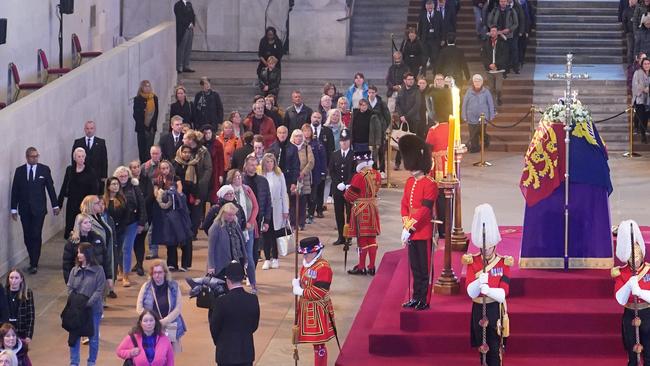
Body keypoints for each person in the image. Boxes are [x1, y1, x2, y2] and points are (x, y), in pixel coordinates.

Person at [463, 203, 512, 366]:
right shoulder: (473, 261)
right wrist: (478, 282)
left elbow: (503, 293)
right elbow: (470, 292)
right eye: (484, 247)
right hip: (478, 309)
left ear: (495, 244)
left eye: (489, 246)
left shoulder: (503, 262)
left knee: (494, 350)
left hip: (493, 310)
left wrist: (488, 290)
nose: (486, 250)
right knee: (482, 350)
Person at [399, 135, 437, 310]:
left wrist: (411, 226)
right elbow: (404, 205)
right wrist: (406, 225)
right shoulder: (409, 182)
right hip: (412, 231)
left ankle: (424, 298)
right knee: (414, 267)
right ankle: (415, 296)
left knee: (424, 269)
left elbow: (425, 210)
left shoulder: (430, 184)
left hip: (423, 231)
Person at [10, 147, 59, 274]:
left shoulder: (44, 169)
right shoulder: (19, 171)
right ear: (27, 157)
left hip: (39, 209)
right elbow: (15, 190)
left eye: (37, 156)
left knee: (36, 234)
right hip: (25, 209)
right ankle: (32, 257)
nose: (35, 158)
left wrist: (55, 205)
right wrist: (13, 209)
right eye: (32, 156)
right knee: (27, 235)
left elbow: (50, 188)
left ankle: (34, 263)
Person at [291, 237, 336, 366]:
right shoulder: (307, 265)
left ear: (315, 252)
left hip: (318, 310)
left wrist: (300, 291)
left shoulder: (323, 267)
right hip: (307, 308)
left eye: (307, 253)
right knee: (315, 344)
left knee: (319, 344)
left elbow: (319, 292)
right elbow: (305, 281)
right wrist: (298, 283)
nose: (305, 256)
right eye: (304, 254)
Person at [612, 220, 650, 366]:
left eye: (637, 255)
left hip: (647, 313)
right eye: (631, 256)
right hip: (629, 313)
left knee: (649, 351)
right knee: (631, 350)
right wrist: (629, 285)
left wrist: (640, 292)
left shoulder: (648, 270)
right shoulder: (620, 272)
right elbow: (620, 299)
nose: (635, 259)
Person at [209, 262, 260, 366]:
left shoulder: (220, 302)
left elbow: (214, 327)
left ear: (227, 280)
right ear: (242, 279)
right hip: (246, 351)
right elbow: (254, 326)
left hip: (225, 352)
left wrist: (219, 342)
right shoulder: (253, 299)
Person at [66, 243, 106, 366]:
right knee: (75, 336)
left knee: (93, 337)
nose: (78, 255)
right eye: (78, 252)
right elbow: (70, 288)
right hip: (77, 310)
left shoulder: (98, 270)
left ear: (87, 254)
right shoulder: (74, 270)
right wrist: (77, 302)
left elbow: (99, 290)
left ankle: (91, 362)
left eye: (81, 252)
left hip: (93, 309)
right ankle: (74, 362)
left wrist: (87, 303)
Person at [344, 150, 381, 275]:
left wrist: (346, 190)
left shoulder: (359, 176)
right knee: (372, 238)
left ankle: (361, 266)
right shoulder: (377, 174)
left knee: (362, 240)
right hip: (372, 208)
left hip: (361, 209)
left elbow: (350, 196)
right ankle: (371, 266)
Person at [151, 160, 193, 271]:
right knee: (169, 238)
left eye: (166, 168)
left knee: (183, 237)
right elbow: (156, 193)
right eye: (162, 168)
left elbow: (180, 191)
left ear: (170, 168)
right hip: (165, 214)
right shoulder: (157, 180)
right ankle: (172, 263)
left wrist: (172, 192)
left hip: (177, 211)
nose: (164, 170)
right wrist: (160, 194)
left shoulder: (176, 178)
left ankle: (185, 264)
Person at [136, 260, 186, 353]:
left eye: (160, 272)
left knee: (170, 354)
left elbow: (178, 308)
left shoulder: (174, 286)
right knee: (153, 354)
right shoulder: (146, 287)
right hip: (151, 327)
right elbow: (139, 307)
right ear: (151, 274)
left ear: (165, 273)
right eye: (155, 273)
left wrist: (164, 321)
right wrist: (150, 321)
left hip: (170, 325)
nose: (157, 275)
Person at [227, 170, 260, 293]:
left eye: (240, 176)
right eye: (236, 177)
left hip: (248, 228)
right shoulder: (228, 192)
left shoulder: (247, 190)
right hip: (234, 230)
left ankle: (253, 283)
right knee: (236, 257)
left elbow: (256, 207)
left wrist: (250, 222)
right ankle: (236, 283)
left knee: (249, 257)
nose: (238, 178)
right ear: (231, 178)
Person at [114, 166, 146, 287]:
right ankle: (121, 271)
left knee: (127, 248)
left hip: (132, 222)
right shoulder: (114, 188)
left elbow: (142, 205)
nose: (123, 178)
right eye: (121, 176)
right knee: (119, 248)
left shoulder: (134, 188)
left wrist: (141, 222)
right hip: (118, 224)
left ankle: (126, 276)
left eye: (125, 176)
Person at [59, 147, 99, 239]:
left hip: (84, 203)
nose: (81, 158)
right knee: (71, 225)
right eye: (79, 156)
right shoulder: (69, 169)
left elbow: (94, 188)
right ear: (74, 158)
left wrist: (92, 203)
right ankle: (71, 244)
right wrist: (59, 203)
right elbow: (65, 185)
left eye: (82, 156)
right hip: (72, 202)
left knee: (83, 225)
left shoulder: (90, 171)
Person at [62, 214, 111, 289]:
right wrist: (69, 282)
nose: (89, 225)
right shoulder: (72, 242)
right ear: (79, 225)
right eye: (85, 223)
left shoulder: (97, 238)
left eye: (90, 222)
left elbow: (105, 258)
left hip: (96, 276)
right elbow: (67, 263)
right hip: (80, 279)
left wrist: (109, 276)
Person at [259, 153, 290, 270]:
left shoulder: (279, 175)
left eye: (271, 161)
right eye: (267, 162)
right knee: (266, 234)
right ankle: (267, 259)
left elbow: (284, 193)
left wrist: (285, 209)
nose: (269, 164)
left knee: (275, 234)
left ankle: (276, 258)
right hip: (266, 210)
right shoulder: (261, 176)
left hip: (277, 209)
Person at [243, 156, 272, 271]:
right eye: (251, 165)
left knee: (255, 249)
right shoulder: (240, 180)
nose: (254, 167)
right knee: (243, 249)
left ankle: (251, 273)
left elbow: (267, 202)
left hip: (258, 219)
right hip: (243, 219)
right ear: (246, 166)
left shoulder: (263, 181)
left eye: (256, 165)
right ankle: (243, 272)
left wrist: (267, 221)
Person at [183, 130, 213, 239]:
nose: (183, 140)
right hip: (186, 186)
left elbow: (208, 169)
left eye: (185, 138)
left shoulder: (203, 152)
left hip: (199, 186)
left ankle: (192, 232)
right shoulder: (183, 150)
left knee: (196, 211)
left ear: (191, 140)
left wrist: (201, 183)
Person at [207, 203, 248, 277]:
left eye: (233, 215)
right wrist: (211, 266)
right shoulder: (216, 226)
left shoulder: (236, 225)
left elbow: (242, 243)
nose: (231, 217)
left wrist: (245, 259)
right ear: (223, 213)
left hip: (236, 261)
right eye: (229, 215)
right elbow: (211, 248)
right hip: (221, 264)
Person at [329, 129, 355, 246]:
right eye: (342, 141)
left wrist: (347, 183)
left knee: (349, 213)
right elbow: (332, 171)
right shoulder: (335, 154)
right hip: (337, 189)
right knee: (338, 213)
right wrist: (338, 182)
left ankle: (348, 236)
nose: (344, 143)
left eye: (346, 141)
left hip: (349, 189)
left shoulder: (353, 155)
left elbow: (354, 171)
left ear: (349, 141)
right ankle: (340, 236)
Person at [462, 74, 496, 153]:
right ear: (473, 82)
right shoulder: (469, 92)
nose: (477, 83)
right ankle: (475, 147)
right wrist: (464, 115)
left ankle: (486, 138)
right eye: (475, 81)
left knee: (482, 133)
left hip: (483, 117)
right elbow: (464, 104)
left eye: (479, 81)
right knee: (473, 134)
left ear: (482, 82)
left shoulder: (486, 92)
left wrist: (491, 115)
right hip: (471, 116)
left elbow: (490, 104)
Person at [128, 160, 151, 277]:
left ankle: (140, 264)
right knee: (133, 241)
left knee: (140, 241)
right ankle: (137, 263)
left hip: (143, 214)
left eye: (137, 167)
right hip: (131, 216)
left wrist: (140, 203)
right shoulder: (128, 182)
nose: (136, 169)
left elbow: (149, 195)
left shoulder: (146, 180)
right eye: (133, 167)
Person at [395, 72, 422, 169]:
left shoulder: (417, 90)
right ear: (404, 80)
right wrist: (401, 115)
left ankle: (413, 163)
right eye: (409, 79)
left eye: (412, 79)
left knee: (413, 142)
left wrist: (406, 116)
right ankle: (397, 163)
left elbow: (417, 105)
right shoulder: (401, 90)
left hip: (413, 119)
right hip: (403, 120)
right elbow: (397, 104)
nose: (411, 81)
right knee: (401, 141)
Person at [71, 121, 107, 188]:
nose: (89, 130)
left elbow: (104, 160)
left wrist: (104, 176)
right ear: (84, 129)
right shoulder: (78, 142)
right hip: (82, 175)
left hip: (97, 175)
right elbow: (74, 160)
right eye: (87, 128)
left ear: (94, 129)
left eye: (91, 128)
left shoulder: (101, 142)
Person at [291, 129, 314, 231]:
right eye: (296, 136)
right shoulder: (290, 148)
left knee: (302, 201)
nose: (298, 138)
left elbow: (311, 162)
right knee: (292, 201)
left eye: (300, 136)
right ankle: (293, 222)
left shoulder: (306, 147)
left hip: (303, 178)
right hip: (293, 177)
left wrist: (303, 172)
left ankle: (301, 222)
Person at [304, 124, 327, 223]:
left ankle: (311, 214)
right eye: (305, 131)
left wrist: (323, 171)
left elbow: (322, 158)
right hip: (304, 174)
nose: (307, 133)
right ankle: (304, 214)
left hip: (315, 172)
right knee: (305, 195)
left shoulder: (317, 144)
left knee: (313, 195)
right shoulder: (300, 144)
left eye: (308, 131)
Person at [268, 126, 300, 195]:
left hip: (288, 178)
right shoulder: (271, 148)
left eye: (284, 133)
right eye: (280, 133)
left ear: (287, 134)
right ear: (277, 134)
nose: (282, 135)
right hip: (274, 177)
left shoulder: (293, 148)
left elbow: (296, 165)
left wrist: (294, 182)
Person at [5, 270, 34, 344]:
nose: (13, 280)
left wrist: (29, 335)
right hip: (6, 329)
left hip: (21, 330)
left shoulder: (27, 293)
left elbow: (30, 315)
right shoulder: (3, 293)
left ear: (21, 279)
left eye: (16, 278)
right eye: (11, 278)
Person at [133, 80, 159, 163]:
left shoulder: (154, 98)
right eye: (145, 86)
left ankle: (149, 164)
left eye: (148, 86)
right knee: (142, 148)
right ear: (142, 88)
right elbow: (136, 114)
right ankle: (143, 164)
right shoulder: (138, 99)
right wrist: (144, 126)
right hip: (141, 128)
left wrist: (151, 125)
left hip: (151, 128)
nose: (147, 88)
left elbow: (156, 112)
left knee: (149, 148)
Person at [482, 27, 508, 106]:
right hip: (489, 70)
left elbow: (505, 56)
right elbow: (483, 56)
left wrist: (496, 64)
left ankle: (499, 97)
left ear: (497, 32)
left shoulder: (502, 43)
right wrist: (489, 65)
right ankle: (493, 104)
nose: (492, 32)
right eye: (491, 31)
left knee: (498, 88)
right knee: (491, 88)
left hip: (499, 69)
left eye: (494, 31)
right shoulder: (486, 43)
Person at [367, 85, 391, 173]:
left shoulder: (381, 103)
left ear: (376, 93)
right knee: (371, 152)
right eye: (369, 92)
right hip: (369, 132)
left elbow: (388, 117)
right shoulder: (365, 103)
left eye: (373, 92)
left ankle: (382, 170)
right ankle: (373, 169)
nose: (371, 94)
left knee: (381, 151)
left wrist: (383, 127)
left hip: (380, 131)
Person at [418, 0, 442, 73]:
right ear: (426, 7)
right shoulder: (422, 14)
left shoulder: (438, 14)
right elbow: (420, 27)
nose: (430, 8)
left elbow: (442, 27)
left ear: (433, 6)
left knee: (434, 58)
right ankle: (423, 75)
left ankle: (435, 74)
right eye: (428, 7)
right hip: (425, 40)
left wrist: (442, 38)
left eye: (431, 7)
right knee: (424, 59)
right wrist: (419, 38)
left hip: (435, 40)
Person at [174, 0, 195, 73]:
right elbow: (179, 17)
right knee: (181, 48)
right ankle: (179, 66)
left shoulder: (189, 4)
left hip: (190, 29)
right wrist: (188, 24)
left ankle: (186, 66)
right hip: (183, 30)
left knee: (188, 48)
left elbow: (193, 15)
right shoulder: (178, 5)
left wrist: (192, 23)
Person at [633, 57, 650, 143]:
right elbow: (635, 85)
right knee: (642, 117)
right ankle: (643, 136)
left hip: (648, 101)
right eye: (645, 64)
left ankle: (644, 133)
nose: (647, 65)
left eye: (648, 64)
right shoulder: (637, 73)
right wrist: (643, 89)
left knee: (646, 118)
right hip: (640, 100)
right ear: (642, 65)